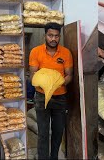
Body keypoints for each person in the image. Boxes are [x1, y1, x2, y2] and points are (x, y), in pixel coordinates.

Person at [29, 22, 73, 160]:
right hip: (41, 97)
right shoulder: (36, 52)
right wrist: (45, 85)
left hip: (60, 98)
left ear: (59, 37)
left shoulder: (66, 53)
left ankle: (54, 157)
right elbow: (33, 76)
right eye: (50, 35)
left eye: (56, 36)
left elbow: (69, 75)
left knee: (58, 131)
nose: (53, 39)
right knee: (43, 132)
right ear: (45, 36)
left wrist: (57, 84)